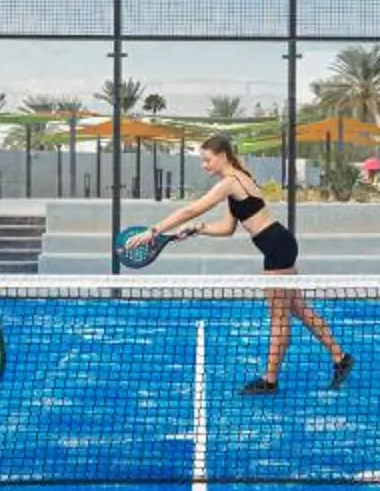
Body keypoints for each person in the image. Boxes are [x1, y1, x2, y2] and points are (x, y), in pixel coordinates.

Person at [148, 133, 351, 396]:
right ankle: (340, 358)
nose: (204, 165)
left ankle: (270, 380)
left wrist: (154, 230)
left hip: (277, 249)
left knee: (279, 318)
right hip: (280, 244)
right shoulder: (236, 181)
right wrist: (198, 229)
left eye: (207, 160)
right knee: (298, 309)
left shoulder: (231, 182)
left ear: (222, 156)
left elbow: (191, 209)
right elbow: (227, 228)